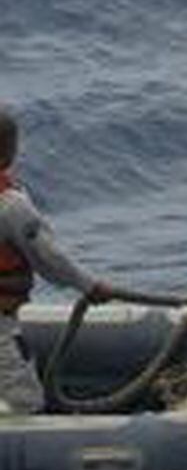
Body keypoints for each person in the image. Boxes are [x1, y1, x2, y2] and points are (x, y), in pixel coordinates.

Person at [0, 109, 114, 413]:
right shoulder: (11, 207)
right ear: (9, 153)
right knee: (24, 400)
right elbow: (49, 260)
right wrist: (90, 286)